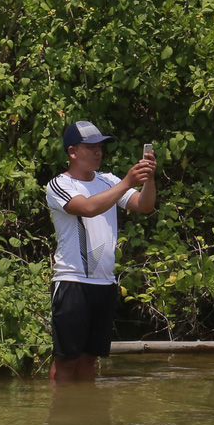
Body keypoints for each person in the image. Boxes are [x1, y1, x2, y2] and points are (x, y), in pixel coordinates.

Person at [45, 121, 157, 383]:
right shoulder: (59, 185)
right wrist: (128, 181)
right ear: (73, 152)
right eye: (91, 147)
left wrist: (148, 179)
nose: (98, 152)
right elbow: (87, 208)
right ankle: (60, 419)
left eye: (100, 147)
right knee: (66, 360)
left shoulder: (108, 180)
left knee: (89, 360)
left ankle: (86, 419)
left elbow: (144, 204)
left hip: (104, 284)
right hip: (73, 282)